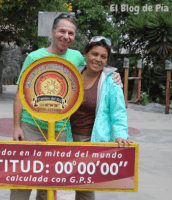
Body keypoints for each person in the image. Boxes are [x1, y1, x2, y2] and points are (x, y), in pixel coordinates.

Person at [11, 14, 122, 200]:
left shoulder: (77, 57)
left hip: (61, 130)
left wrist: (113, 75)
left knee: (49, 184)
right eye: (62, 31)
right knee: (23, 180)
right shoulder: (35, 56)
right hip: (31, 126)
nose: (66, 36)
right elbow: (20, 94)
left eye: (70, 33)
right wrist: (16, 126)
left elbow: (94, 67)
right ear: (53, 32)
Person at [66, 36, 133, 200]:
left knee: (84, 187)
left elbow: (118, 112)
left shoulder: (111, 81)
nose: (98, 59)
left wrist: (121, 134)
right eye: (94, 54)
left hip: (91, 140)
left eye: (103, 57)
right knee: (59, 181)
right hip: (65, 137)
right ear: (86, 53)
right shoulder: (72, 74)